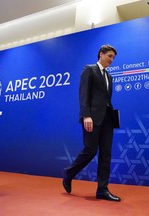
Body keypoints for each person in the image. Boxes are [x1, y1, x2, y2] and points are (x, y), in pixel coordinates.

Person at [62, 44, 121, 202]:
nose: (111, 60)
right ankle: (69, 173)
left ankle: (102, 189)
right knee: (90, 150)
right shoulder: (89, 69)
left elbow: (106, 100)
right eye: (109, 56)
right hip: (92, 118)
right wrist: (86, 115)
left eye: (113, 58)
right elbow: (83, 94)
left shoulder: (109, 77)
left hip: (108, 119)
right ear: (101, 54)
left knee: (106, 154)